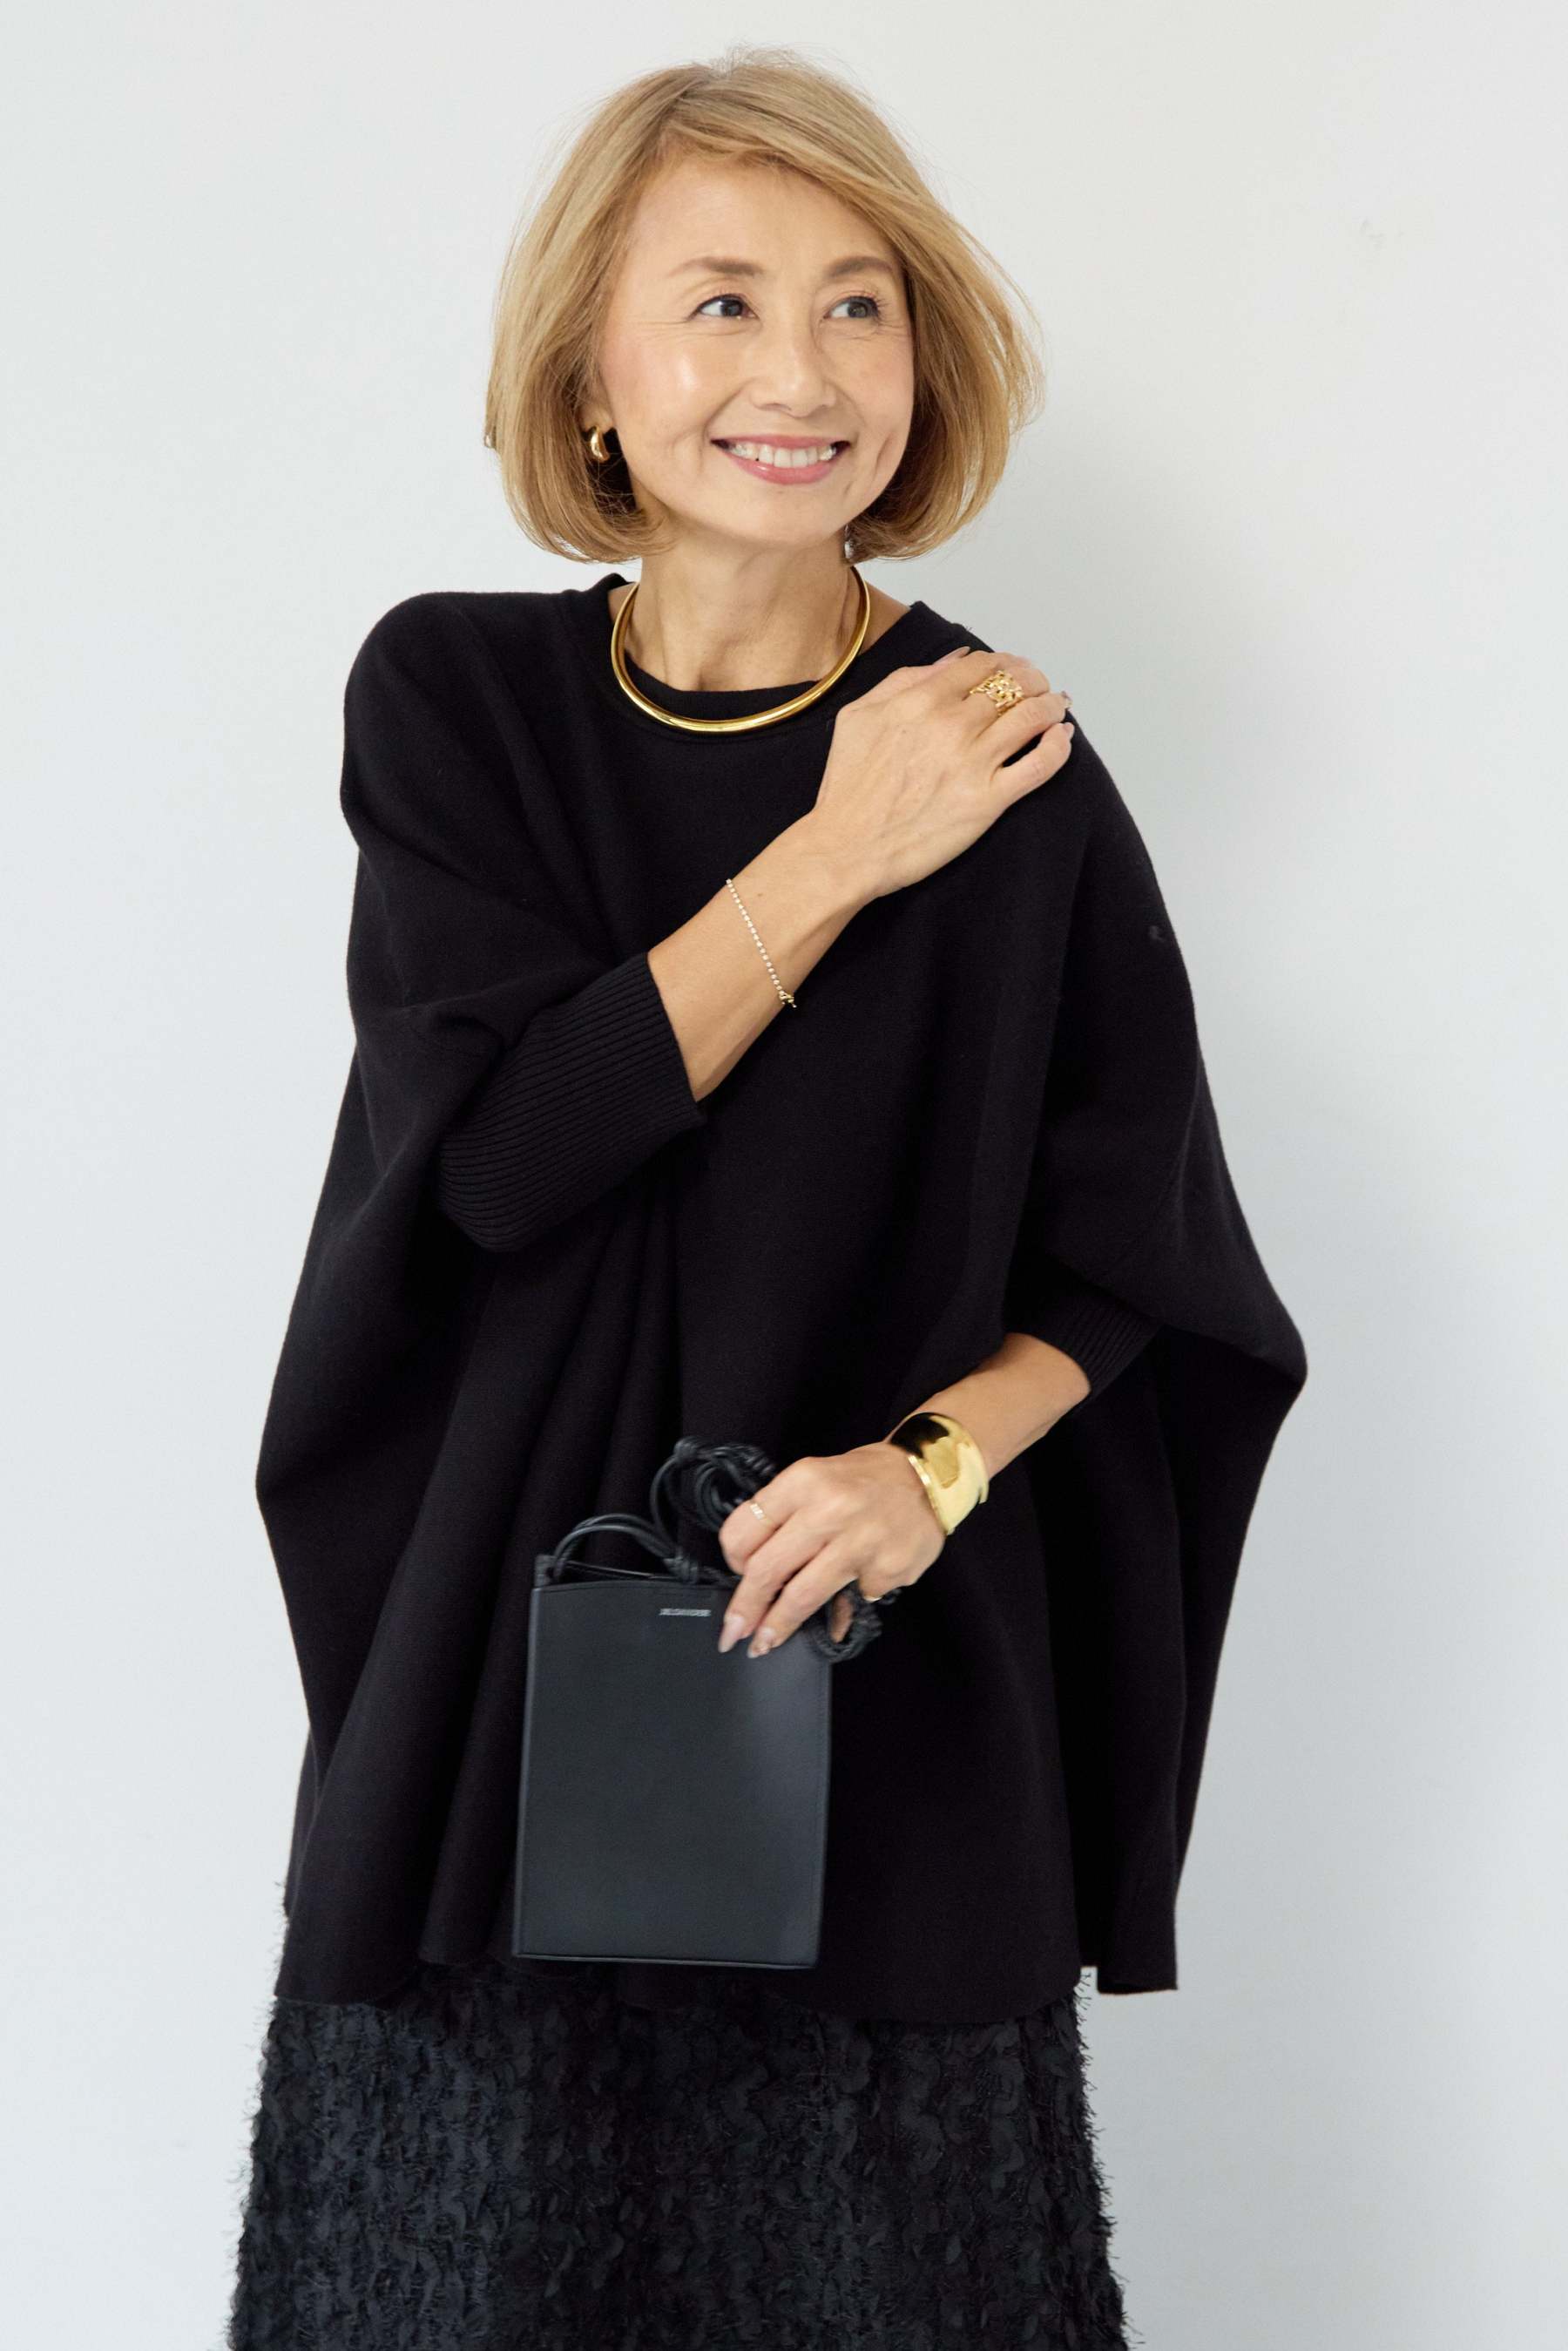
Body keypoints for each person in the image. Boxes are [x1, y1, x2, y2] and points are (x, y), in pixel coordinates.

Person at [226, 46, 1307, 2351]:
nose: (799, 375)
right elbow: (503, 1161)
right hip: (496, 1731)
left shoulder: (1008, 753)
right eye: (720, 302)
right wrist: (839, 848)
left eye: (856, 305)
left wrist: (930, 1471)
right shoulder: (459, 701)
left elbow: (1143, 1262)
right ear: (590, 377)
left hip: (873, 1719)